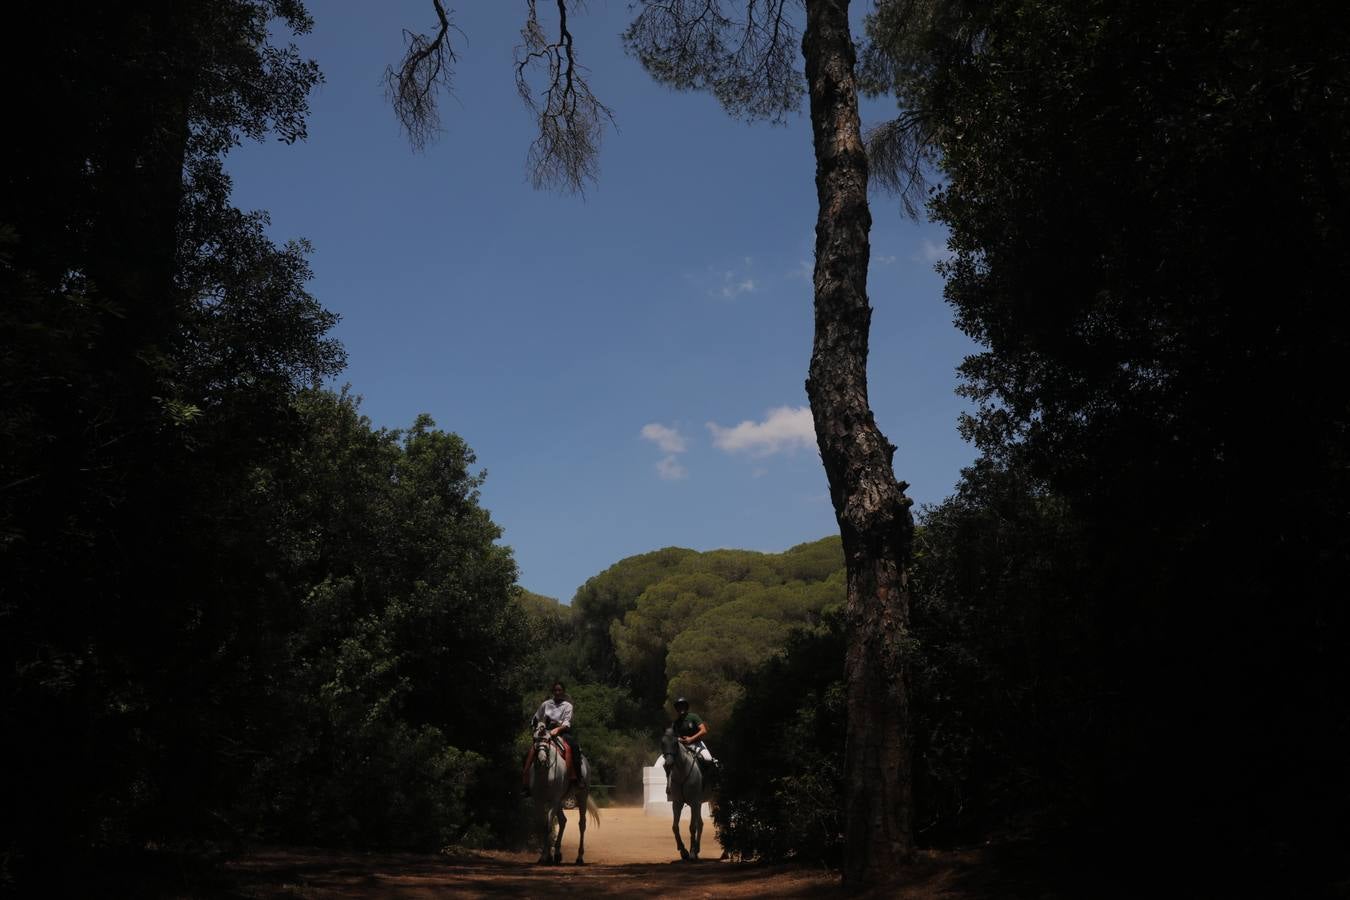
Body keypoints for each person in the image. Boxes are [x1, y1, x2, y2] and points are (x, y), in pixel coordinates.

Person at [521, 680, 583, 797]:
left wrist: (558, 729)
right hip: (546, 730)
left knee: (573, 747)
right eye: (555, 690)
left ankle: (577, 778)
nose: (557, 692)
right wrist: (536, 727)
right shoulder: (546, 704)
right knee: (528, 753)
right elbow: (536, 717)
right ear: (553, 691)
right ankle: (526, 784)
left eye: (560, 690)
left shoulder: (568, 706)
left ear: (563, 692)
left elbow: (567, 722)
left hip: (562, 731)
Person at [667, 696, 719, 798]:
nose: (681, 708)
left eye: (683, 706)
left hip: (697, 743)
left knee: (708, 759)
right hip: (683, 747)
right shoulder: (676, 723)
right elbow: (672, 737)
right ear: (676, 709)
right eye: (679, 706)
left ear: (686, 707)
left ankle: (714, 784)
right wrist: (679, 740)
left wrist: (691, 739)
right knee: (669, 762)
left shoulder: (693, 717)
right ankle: (669, 787)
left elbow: (704, 730)